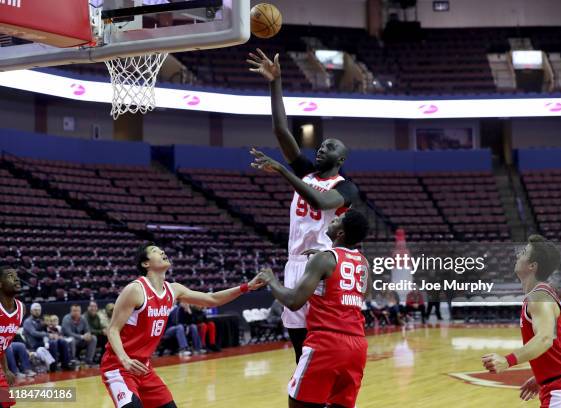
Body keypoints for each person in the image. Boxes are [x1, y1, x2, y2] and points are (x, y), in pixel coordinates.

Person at [248, 48, 360, 364]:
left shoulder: (346, 186)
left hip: (323, 265)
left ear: (340, 159)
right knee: (300, 348)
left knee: (322, 343)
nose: (322, 148)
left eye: (330, 148)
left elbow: (320, 200)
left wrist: (283, 171)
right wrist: (275, 83)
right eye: (322, 144)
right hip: (295, 262)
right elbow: (281, 131)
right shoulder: (306, 172)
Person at [100, 243, 265, 408]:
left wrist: (246, 287)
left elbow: (212, 299)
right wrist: (125, 360)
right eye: (155, 251)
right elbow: (112, 330)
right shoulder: (135, 290)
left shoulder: (174, 290)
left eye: (161, 249)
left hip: (144, 367)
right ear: (146, 263)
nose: (162, 251)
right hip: (118, 366)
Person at [256, 210, 370, 408]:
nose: (333, 220)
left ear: (340, 233)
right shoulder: (364, 263)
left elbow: (293, 301)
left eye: (337, 220)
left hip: (327, 344)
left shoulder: (324, 259)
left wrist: (271, 281)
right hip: (357, 347)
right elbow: (362, 294)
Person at [481, 235, 561, 408]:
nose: (518, 255)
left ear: (532, 266)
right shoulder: (538, 295)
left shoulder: (539, 297)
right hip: (557, 385)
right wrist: (541, 376)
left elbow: (545, 339)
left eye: (524, 252)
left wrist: (507, 360)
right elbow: (557, 343)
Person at [0, 266, 25, 407]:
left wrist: (6, 369)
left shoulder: (21, 309)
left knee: (6, 403)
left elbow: (1, 346)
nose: (16, 278)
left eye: (16, 275)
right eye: (10, 275)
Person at [23, 304, 72, 371]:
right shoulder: (27, 321)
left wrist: (55, 335)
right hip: (33, 344)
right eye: (35, 310)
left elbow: (47, 331)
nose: (37, 311)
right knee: (52, 343)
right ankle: (53, 366)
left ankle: (66, 364)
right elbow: (33, 333)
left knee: (62, 341)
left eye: (39, 310)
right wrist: (48, 335)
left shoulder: (40, 321)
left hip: (43, 341)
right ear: (31, 311)